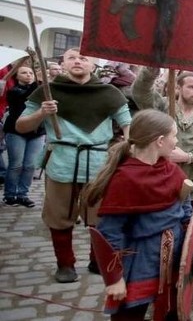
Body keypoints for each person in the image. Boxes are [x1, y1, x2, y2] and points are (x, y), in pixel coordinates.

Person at [16, 48, 131, 284]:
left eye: (84, 57)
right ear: (64, 63)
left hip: (98, 164)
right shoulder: (47, 92)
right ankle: (65, 264)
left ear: (93, 65)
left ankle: (96, 259)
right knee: (59, 216)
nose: (78, 61)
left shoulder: (110, 93)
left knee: (100, 217)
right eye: (72, 57)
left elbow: (129, 127)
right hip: (61, 162)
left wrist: (126, 154)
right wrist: (41, 113)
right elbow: (21, 126)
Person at [84, 109, 193, 321]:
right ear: (160, 141)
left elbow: (185, 203)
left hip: (173, 258)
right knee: (130, 315)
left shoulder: (170, 169)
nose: (177, 140)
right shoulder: (126, 179)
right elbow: (109, 233)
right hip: (139, 261)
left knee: (170, 310)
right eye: (174, 136)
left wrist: (189, 234)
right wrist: (115, 278)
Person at [132, 68, 193, 313]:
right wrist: (151, 71)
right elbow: (139, 92)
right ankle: (157, 291)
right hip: (161, 191)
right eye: (191, 87)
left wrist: (189, 156)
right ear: (179, 87)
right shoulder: (162, 109)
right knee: (161, 246)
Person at [2, 66, 46, 207]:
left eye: (30, 73)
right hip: (16, 132)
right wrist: (37, 83)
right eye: (24, 73)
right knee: (16, 165)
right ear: (17, 76)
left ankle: (22, 194)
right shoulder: (13, 91)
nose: (28, 75)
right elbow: (25, 97)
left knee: (30, 165)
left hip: (37, 132)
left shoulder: (40, 89)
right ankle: (9, 194)